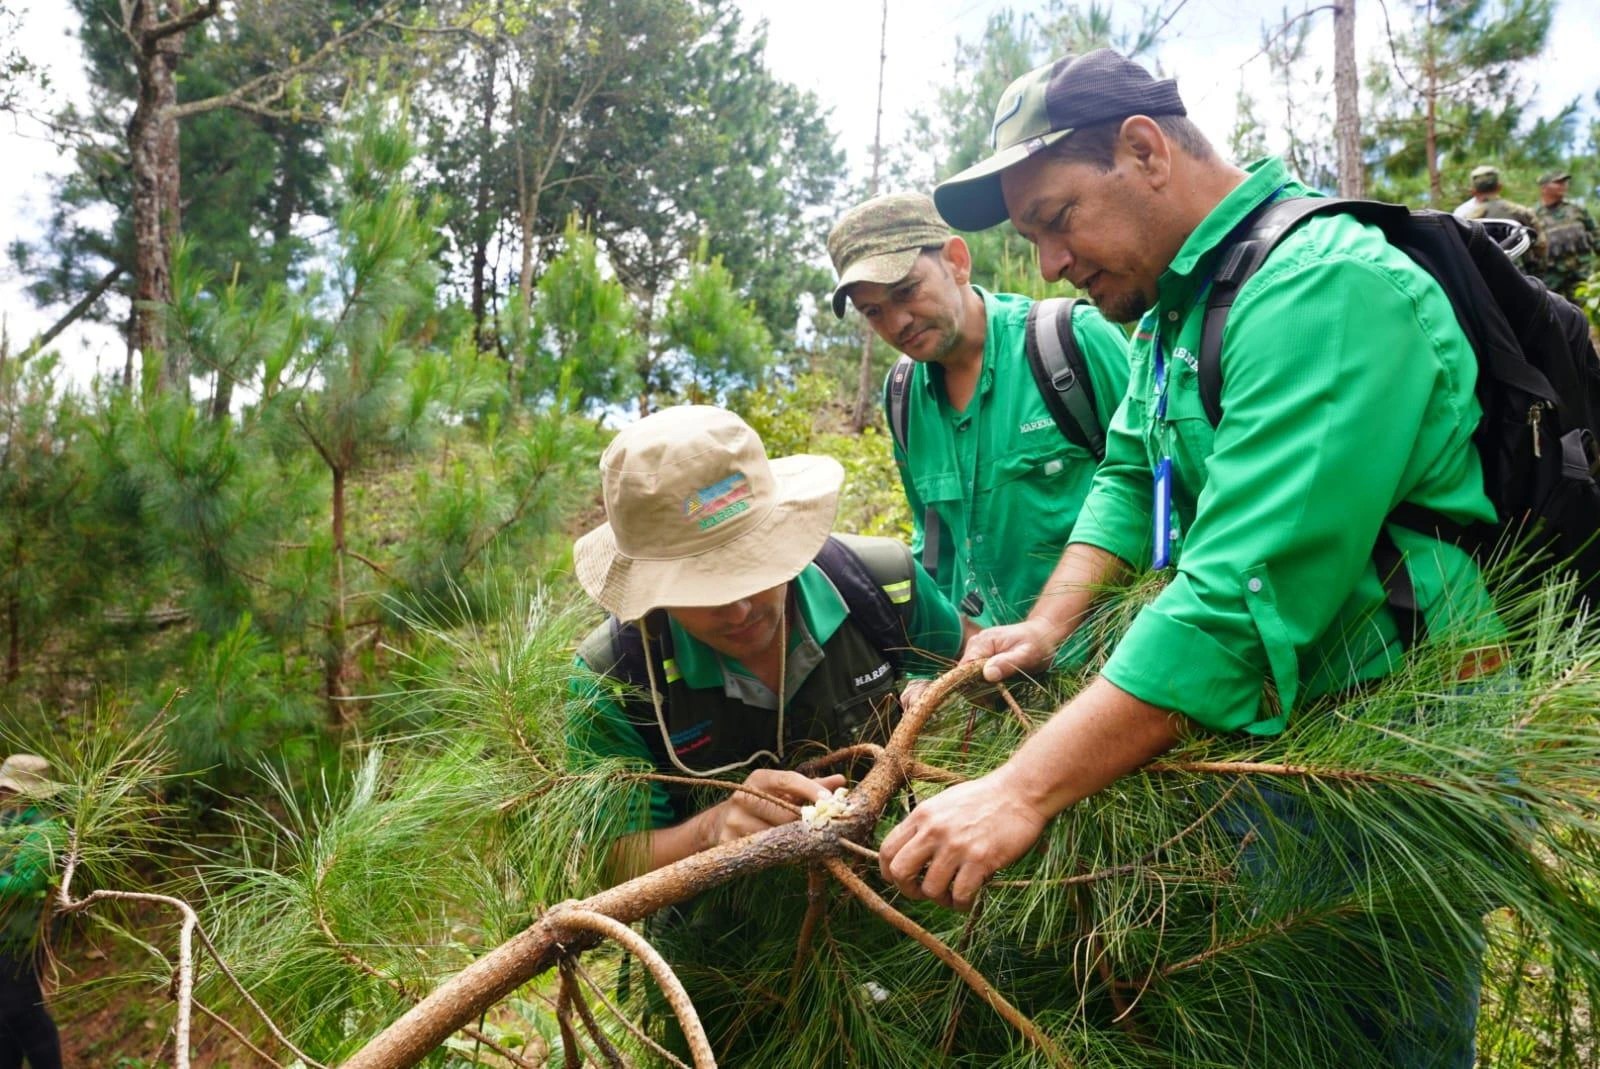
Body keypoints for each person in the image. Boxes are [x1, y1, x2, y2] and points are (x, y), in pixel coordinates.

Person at [877, 49, 1503, 1066]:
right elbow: (1131, 476)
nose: (1048, 264)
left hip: (1395, 749)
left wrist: (1019, 788)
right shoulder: (1180, 307)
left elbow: (1238, 597)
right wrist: (1050, 622)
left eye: (1057, 218)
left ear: (1144, 149)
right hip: (1272, 740)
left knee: (1377, 1038)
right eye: (1031, 237)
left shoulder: (1317, 288)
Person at [567, 405, 968, 882]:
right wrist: (709, 830)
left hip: (901, 884)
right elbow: (611, 860)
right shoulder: (615, 677)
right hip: (717, 923)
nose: (739, 611)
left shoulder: (882, 584)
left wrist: (940, 694)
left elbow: (980, 677)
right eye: (701, 590)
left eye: (751, 568)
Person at [826, 192, 1130, 642]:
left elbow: (1158, 487)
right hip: (985, 669)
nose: (897, 322)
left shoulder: (1071, 342)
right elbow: (933, 544)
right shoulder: (902, 396)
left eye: (906, 291)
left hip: (1108, 655)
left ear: (957, 261)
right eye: (873, 312)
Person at [1, 755, 62, 1069]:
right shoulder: (8, 820)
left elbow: (26, 884)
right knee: (3, 1017)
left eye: (7, 789)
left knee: (24, 1013)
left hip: (23, 937)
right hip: (4, 934)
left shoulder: (45, 830)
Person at [1456, 164, 1547, 271]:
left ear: (1473, 191)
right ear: (1499, 187)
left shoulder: (1463, 218)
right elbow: (1541, 246)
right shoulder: (1522, 212)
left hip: (1480, 277)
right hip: (1520, 275)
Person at [1533, 170, 1597, 302]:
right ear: (1544, 187)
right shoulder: (1533, 215)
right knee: (1554, 310)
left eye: (1565, 182)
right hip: (1551, 277)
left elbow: (1596, 235)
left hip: (1581, 273)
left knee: (1585, 308)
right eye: (1558, 182)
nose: (1563, 185)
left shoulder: (1577, 209)